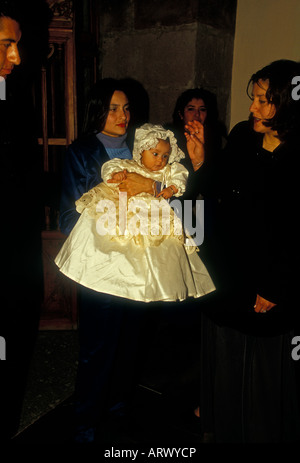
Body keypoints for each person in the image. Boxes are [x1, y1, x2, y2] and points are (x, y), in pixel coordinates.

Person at [185, 59, 300, 442]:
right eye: (255, 98)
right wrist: (202, 161)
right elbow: (218, 191)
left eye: (264, 101)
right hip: (227, 274)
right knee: (226, 359)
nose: (252, 107)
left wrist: (276, 287)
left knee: (263, 377)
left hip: (267, 284)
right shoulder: (241, 136)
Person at [58, 81, 179, 443]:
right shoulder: (81, 151)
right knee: (97, 349)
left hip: (141, 267)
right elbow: (68, 215)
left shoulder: (143, 149)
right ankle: (85, 423)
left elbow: (173, 190)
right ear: (97, 110)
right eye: (112, 108)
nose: (122, 116)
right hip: (102, 267)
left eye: (126, 108)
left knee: (131, 345)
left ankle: (117, 409)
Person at [55, 123, 215, 302]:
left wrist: (171, 188)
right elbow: (110, 168)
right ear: (141, 151)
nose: (160, 160)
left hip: (154, 216)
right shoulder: (129, 165)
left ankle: (151, 286)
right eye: (155, 154)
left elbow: (180, 180)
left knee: (157, 253)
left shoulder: (168, 171)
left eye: (165, 156)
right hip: (126, 212)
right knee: (112, 237)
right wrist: (117, 176)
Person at [0, 0, 48, 441]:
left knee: (13, 361)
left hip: (16, 266)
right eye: (6, 45)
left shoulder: (12, 97)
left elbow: (28, 177)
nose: (16, 56)